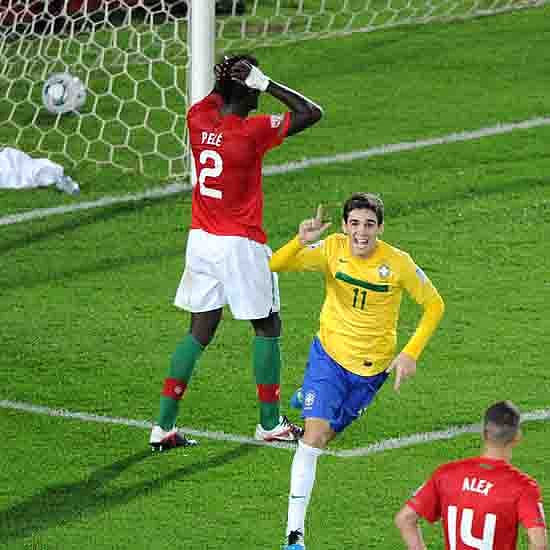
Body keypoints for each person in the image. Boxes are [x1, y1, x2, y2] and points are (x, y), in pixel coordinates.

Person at [149, 54, 323, 451]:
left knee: (199, 330)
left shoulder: (198, 119)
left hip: (202, 241)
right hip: (241, 244)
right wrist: (268, 84)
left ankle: (163, 426)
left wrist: (226, 77)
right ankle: (270, 424)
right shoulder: (252, 132)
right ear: (249, 90)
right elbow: (311, 112)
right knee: (267, 326)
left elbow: (215, 97)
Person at [269, 193, 446, 549]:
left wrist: (410, 353)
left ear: (380, 227)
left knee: (326, 436)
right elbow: (276, 264)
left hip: (370, 372)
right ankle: (294, 535)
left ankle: (308, 395)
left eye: (369, 224)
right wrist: (300, 241)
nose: (361, 232)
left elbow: (434, 305)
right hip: (329, 357)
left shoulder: (398, 264)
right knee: (312, 440)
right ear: (346, 226)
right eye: (354, 224)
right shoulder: (331, 248)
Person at [395, 401, 547, 550]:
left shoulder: (446, 474)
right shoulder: (523, 487)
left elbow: (405, 519)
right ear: (517, 437)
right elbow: (539, 543)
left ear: (484, 433)